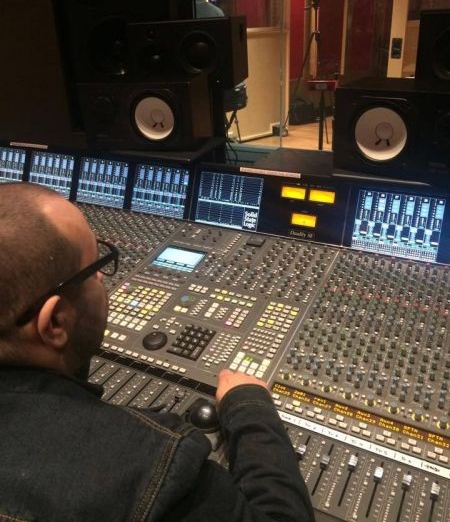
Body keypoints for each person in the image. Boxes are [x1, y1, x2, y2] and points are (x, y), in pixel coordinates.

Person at [0, 182, 315, 522]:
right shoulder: (146, 468)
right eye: (94, 266)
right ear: (55, 323)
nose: (103, 277)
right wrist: (249, 406)